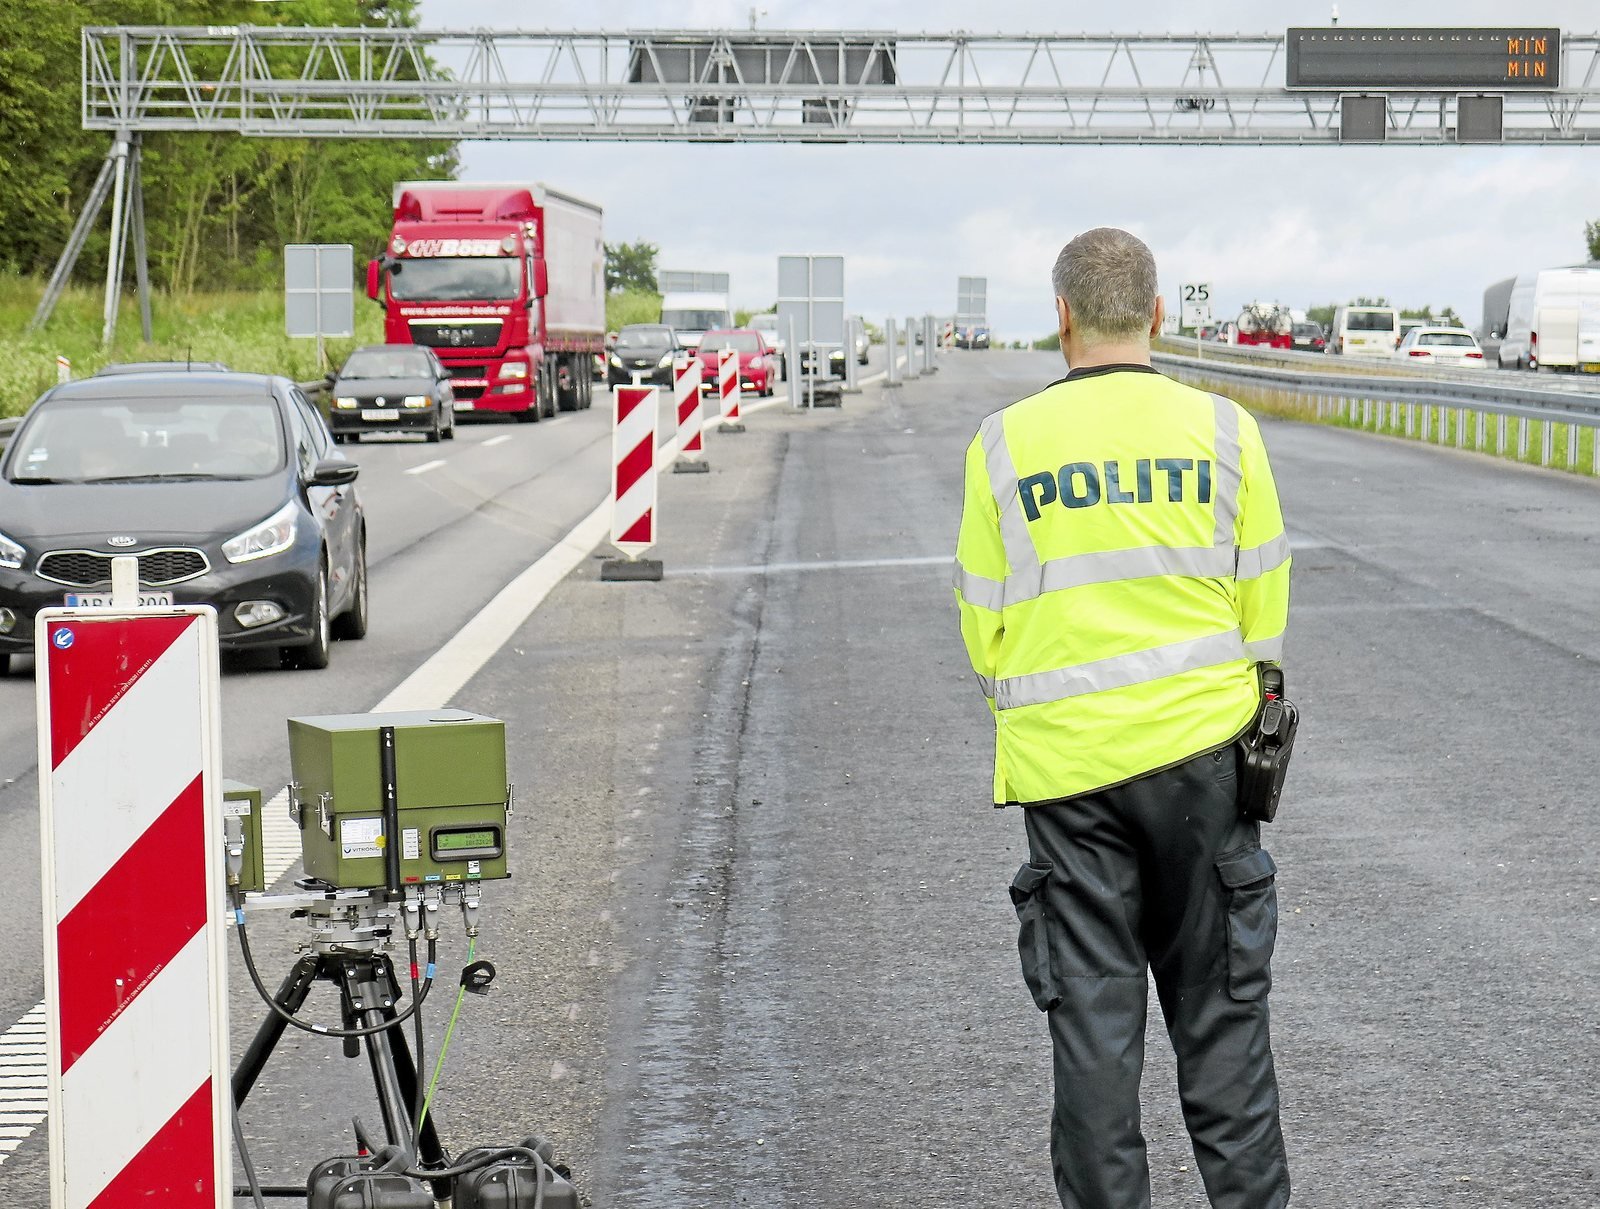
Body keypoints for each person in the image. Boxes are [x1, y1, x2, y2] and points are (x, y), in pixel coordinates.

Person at [952, 227, 1292, 1209]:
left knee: (1095, 1051)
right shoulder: (1226, 432)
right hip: (1206, 767)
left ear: (1060, 316)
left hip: (1069, 780)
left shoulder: (1003, 444)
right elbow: (1263, 613)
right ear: (1157, 314)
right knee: (1225, 1036)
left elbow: (983, 628)